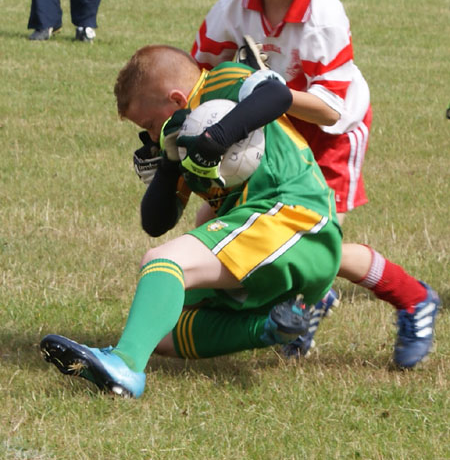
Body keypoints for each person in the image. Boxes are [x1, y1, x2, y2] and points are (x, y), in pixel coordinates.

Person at [40, 46, 440, 398]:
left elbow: (277, 94)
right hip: (278, 254)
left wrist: (216, 138)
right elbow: (155, 221)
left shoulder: (221, 83)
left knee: (165, 261)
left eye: (148, 126)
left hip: (291, 215)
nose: (148, 136)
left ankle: (125, 365)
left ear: (177, 98)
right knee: (160, 333)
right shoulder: (179, 137)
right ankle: (270, 328)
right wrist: (168, 163)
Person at [188, 0, 440, 361]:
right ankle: (298, 304)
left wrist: (269, 95)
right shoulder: (235, 6)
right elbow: (201, 68)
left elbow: (328, 109)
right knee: (224, 221)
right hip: (278, 131)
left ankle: (413, 299)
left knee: (313, 240)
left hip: (332, 133)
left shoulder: (323, 18)